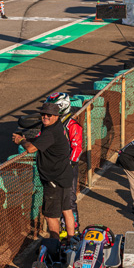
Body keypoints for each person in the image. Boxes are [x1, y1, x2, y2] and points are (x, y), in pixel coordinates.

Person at [12, 103, 74, 239]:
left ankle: (55, 246)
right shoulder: (53, 127)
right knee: (66, 210)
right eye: (43, 114)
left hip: (54, 180)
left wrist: (21, 140)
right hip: (64, 176)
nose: (45, 117)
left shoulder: (51, 132)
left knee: (50, 216)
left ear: (56, 116)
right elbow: (41, 141)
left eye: (48, 115)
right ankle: (72, 241)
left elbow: (31, 149)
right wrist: (28, 139)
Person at [45, 92, 83, 231]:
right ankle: (61, 228)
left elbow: (77, 147)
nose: (49, 112)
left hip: (67, 168)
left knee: (69, 198)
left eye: (53, 108)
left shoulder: (72, 125)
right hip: (53, 167)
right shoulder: (51, 124)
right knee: (56, 198)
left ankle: (74, 229)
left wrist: (69, 164)